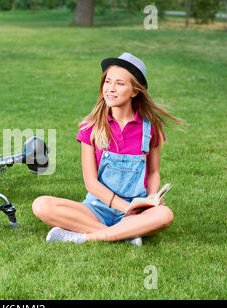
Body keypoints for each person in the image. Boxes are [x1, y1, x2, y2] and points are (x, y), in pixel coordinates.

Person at [32, 52, 183, 246]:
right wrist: (125, 207)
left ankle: (84, 236)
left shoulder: (150, 128)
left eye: (120, 84)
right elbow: (91, 183)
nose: (110, 89)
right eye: (107, 82)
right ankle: (124, 235)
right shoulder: (90, 127)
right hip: (96, 209)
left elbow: (153, 172)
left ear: (134, 91)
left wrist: (151, 200)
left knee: (165, 214)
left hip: (135, 211)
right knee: (41, 205)